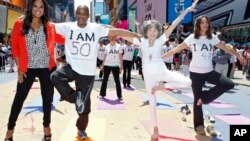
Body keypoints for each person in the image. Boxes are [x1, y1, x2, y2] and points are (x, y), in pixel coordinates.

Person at [50, 5, 139, 140]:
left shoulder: (95, 28)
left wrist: (135, 35)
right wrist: (27, 18)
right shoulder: (68, 26)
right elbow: (48, 24)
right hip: (72, 67)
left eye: (84, 14)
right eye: (78, 14)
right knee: (55, 77)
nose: (81, 17)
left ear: (88, 16)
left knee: (85, 109)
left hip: (87, 72)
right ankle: (76, 98)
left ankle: (81, 129)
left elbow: (116, 31)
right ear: (75, 14)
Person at [162, 15, 247, 136]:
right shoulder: (192, 38)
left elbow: (226, 48)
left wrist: (239, 56)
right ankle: (199, 126)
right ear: (198, 25)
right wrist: (161, 58)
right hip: (195, 73)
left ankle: (205, 98)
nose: (205, 24)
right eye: (202, 23)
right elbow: (177, 49)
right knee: (197, 101)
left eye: (207, 22)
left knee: (228, 83)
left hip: (209, 71)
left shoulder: (212, 38)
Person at [128, 1, 199, 140]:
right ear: (146, 31)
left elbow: (174, 24)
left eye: (155, 30)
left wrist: (187, 10)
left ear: (158, 31)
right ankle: (155, 129)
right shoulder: (140, 41)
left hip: (162, 72)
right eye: (150, 30)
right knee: (152, 104)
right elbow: (124, 35)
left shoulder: (161, 40)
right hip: (148, 77)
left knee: (188, 83)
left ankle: (163, 86)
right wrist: (107, 29)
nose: (153, 32)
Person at [4, 0, 64, 141]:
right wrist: (19, 68)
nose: (38, 9)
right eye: (35, 6)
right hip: (27, 69)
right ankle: (10, 130)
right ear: (30, 7)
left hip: (47, 68)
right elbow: (15, 47)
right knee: (19, 99)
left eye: (41, 6)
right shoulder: (20, 23)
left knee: (47, 99)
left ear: (45, 9)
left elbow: (65, 38)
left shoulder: (50, 26)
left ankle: (46, 128)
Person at [99, 35, 123, 100]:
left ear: (116, 38)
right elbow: (105, 57)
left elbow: (120, 57)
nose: (112, 38)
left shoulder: (119, 46)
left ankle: (119, 95)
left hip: (115, 65)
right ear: (109, 38)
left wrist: (121, 66)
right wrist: (102, 66)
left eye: (113, 37)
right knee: (105, 80)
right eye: (110, 37)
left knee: (117, 81)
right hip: (107, 65)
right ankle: (102, 94)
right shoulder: (106, 47)